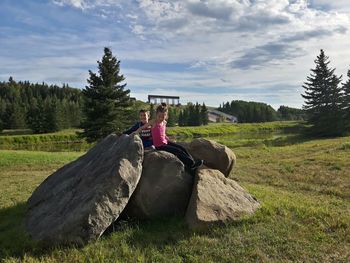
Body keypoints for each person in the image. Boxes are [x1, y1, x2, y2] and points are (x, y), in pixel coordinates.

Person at [134, 103, 203, 171]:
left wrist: (167, 137)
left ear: (166, 116)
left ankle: (192, 162)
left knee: (182, 148)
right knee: (177, 151)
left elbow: (162, 133)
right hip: (159, 145)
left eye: (163, 116)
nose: (161, 118)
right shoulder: (153, 122)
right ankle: (190, 165)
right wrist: (136, 132)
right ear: (156, 115)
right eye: (159, 116)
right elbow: (142, 127)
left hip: (165, 142)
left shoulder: (164, 122)